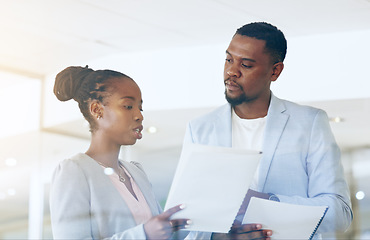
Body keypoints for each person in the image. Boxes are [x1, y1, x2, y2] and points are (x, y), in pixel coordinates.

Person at [183, 22, 353, 239]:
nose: (231, 71)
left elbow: (340, 213)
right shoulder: (199, 129)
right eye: (228, 59)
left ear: (275, 71)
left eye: (245, 64)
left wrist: (266, 203)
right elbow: (192, 220)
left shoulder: (309, 123)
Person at [50, 66, 190, 239]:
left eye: (140, 108)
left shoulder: (137, 173)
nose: (139, 115)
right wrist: (144, 234)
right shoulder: (74, 171)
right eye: (128, 106)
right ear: (97, 110)